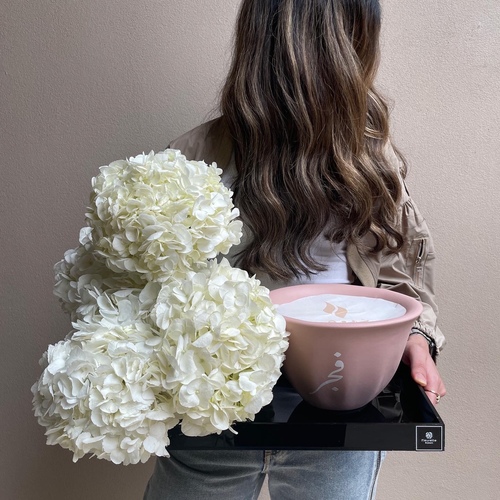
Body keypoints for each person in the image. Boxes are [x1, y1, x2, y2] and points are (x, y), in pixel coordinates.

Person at [144, 0, 446, 498]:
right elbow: (145, 295)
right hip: (212, 420)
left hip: (341, 410)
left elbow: (401, 276)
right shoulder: (190, 163)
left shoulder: (373, 163)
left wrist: (415, 337)